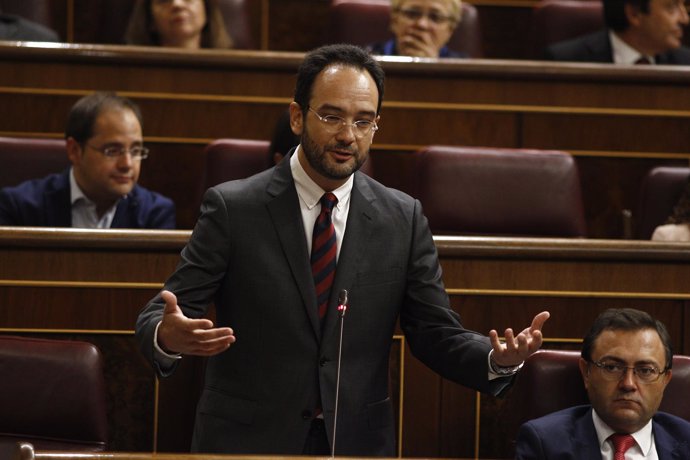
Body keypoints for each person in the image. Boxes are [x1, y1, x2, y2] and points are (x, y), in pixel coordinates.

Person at [135, 43, 549, 456]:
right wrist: (167, 335)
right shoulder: (234, 208)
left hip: (356, 442)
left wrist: (496, 360)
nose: (348, 136)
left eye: (363, 121)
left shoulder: (401, 218)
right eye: (331, 116)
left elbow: (435, 332)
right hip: (247, 441)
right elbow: (164, 311)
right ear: (297, 117)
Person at [515, 308, 690, 459]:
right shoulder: (544, 444)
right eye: (612, 367)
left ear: (665, 380)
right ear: (586, 372)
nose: (628, 384)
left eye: (645, 371)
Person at [0, 92, 175, 229]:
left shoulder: (155, 214)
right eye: (112, 151)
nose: (127, 164)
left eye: (135, 150)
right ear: (74, 151)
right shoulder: (19, 208)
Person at [544, 0, 690, 64]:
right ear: (634, 14)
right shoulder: (565, 62)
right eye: (671, 7)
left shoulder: (686, 64)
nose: (685, 19)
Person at [367, 0, 467, 58]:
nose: (421, 24)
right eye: (412, 13)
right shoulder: (367, 60)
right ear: (394, 20)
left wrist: (433, 68)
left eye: (435, 17)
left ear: (450, 30)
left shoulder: (465, 71)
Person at [125, 0, 232, 49]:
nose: (177, 4)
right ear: (150, 20)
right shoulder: (131, 73)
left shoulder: (230, 72)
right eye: (164, 0)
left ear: (207, 11)